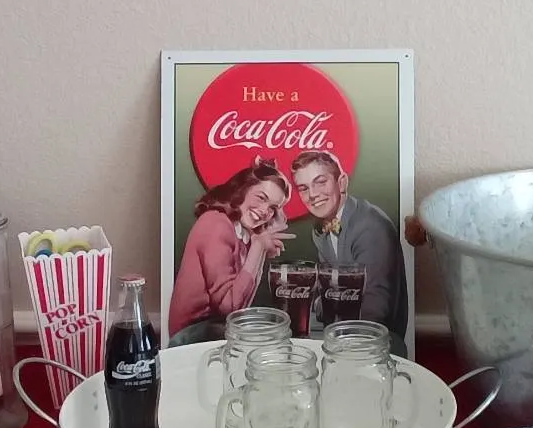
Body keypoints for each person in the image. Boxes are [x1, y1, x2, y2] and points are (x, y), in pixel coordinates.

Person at [290, 151, 409, 356]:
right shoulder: (321, 228)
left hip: (378, 347)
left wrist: (323, 303)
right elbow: (327, 291)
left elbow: (374, 312)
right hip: (341, 337)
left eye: (320, 182)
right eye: (304, 188)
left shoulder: (370, 227)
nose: (312, 195)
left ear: (342, 182)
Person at [168, 158, 293, 346]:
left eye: (273, 208)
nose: (264, 211)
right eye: (261, 197)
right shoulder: (216, 224)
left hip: (217, 330)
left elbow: (241, 307)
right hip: (189, 337)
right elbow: (229, 307)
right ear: (242, 190)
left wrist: (259, 250)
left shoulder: (243, 233)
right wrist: (258, 247)